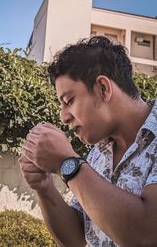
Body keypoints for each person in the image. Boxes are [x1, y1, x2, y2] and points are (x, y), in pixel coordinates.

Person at [18, 36, 157, 247]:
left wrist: (69, 163)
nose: (63, 117)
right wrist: (44, 188)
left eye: (69, 101)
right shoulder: (98, 151)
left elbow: (147, 235)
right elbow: (77, 239)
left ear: (103, 88)